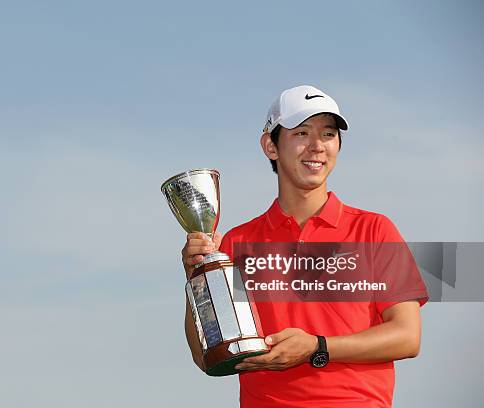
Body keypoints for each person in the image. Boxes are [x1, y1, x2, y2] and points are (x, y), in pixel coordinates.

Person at [181, 85, 428, 407]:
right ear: (270, 145)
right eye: (301, 133)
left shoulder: (374, 229)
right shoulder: (237, 242)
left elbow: (407, 337)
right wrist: (196, 276)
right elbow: (207, 357)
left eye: (328, 134)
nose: (317, 146)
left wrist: (317, 346)